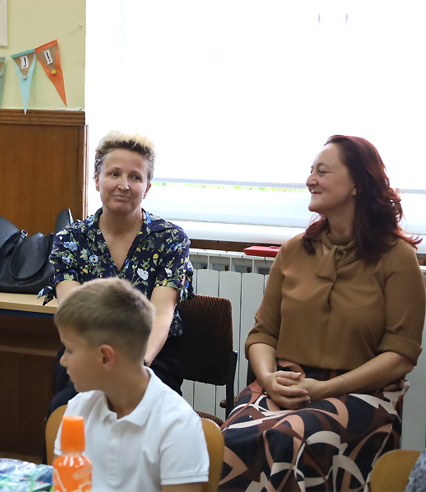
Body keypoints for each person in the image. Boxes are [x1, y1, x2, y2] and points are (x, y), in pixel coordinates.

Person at [220, 135, 425, 491]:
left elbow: (400, 356)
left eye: (322, 171)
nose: (309, 180)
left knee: (291, 438)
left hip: (361, 393)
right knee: (227, 440)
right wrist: (268, 379)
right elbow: (263, 334)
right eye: (311, 170)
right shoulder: (293, 250)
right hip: (285, 385)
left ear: (357, 183)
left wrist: (325, 388)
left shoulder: (397, 257)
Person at [41, 131, 194, 413]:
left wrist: (135, 366)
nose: (124, 185)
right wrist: (101, 364)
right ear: (97, 180)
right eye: (114, 174)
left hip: (151, 355)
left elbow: (162, 314)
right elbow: (73, 313)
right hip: (86, 351)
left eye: (135, 177)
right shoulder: (70, 238)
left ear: (146, 188)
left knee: (145, 409)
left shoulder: (171, 239)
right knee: (67, 407)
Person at [52, 277, 209, 491]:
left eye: (69, 350)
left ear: (105, 357)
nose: (63, 360)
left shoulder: (177, 425)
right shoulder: (78, 409)